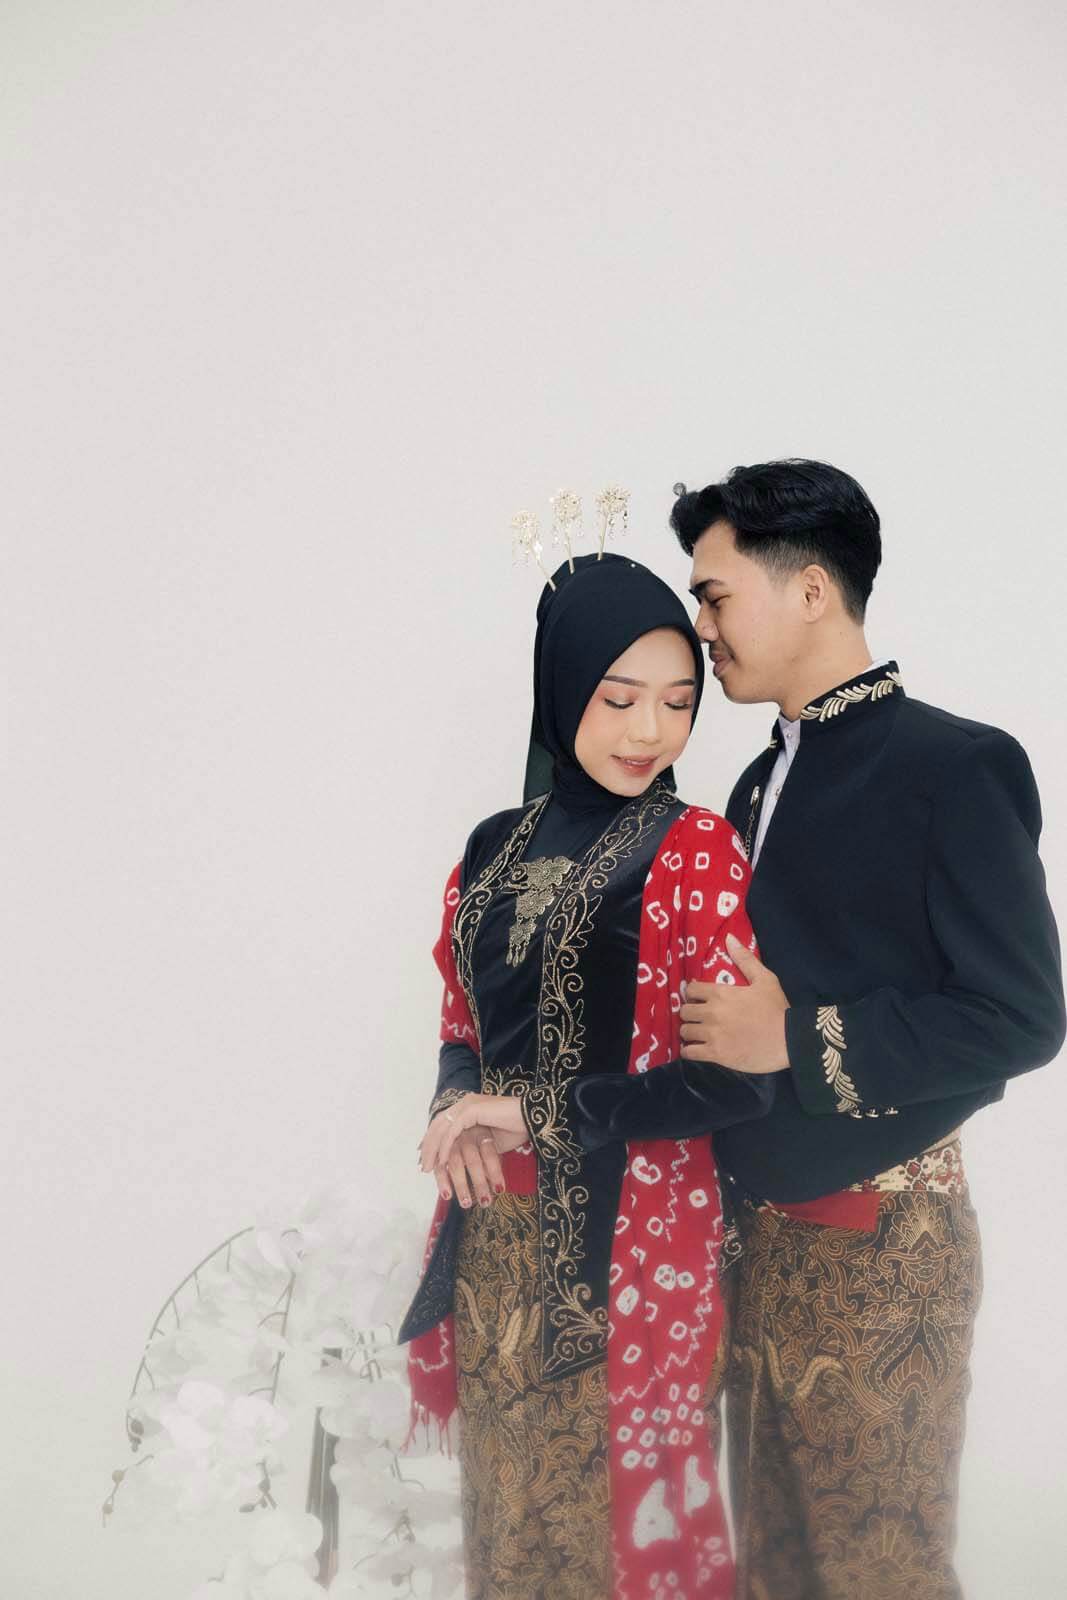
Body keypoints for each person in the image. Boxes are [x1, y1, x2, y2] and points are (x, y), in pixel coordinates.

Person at [608, 459, 1062, 1599]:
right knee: (773, 1572)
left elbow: (1020, 1014)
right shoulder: (756, 786)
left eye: (714, 595)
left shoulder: (952, 766)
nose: (700, 626)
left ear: (809, 590)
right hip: (750, 1243)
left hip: (881, 1245)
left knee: (877, 1574)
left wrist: (796, 1039)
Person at [398, 551, 774, 1600]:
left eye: (677, 702)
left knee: (625, 1540)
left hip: (638, 1249)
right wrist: (458, 1110)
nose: (649, 731)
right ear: (562, 689)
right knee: (514, 1527)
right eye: (618, 699)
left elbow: (733, 1083)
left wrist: (529, 1110)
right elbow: (462, 1024)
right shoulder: (491, 846)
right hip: (496, 1248)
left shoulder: (695, 850)